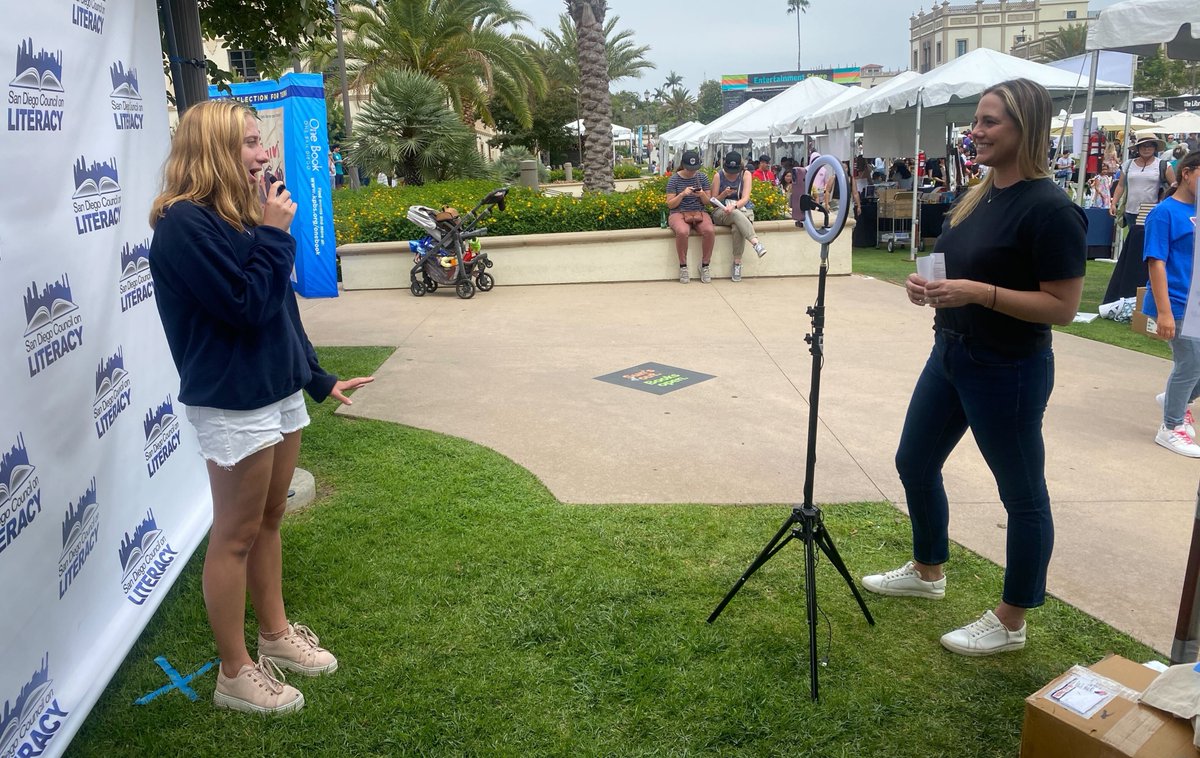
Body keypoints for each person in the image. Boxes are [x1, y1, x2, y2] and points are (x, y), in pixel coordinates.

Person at [148, 99, 374, 714]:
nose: (264, 152)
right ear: (215, 148)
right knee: (236, 534)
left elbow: (279, 310)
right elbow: (244, 306)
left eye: (261, 141)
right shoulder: (183, 224)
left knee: (270, 517)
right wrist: (275, 234)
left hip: (276, 389)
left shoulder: (245, 214)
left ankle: (274, 636)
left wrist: (316, 376)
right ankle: (234, 673)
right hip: (233, 399)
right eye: (250, 142)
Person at [861, 79, 1087, 657]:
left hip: (1008, 368)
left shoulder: (1051, 209)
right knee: (914, 461)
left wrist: (979, 293)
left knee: (1022, 495)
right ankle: (928, 570)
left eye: (990, 122)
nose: (976, 132)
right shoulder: (977, 195)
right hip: (951, 353)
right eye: (976, 121)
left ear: (1025, 129)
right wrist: (927, 287)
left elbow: (1062, 308)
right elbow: (953, 269)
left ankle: (1012, 620)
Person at [1143, 149, 1200, 457]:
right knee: (1191, 361)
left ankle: (1175, 399)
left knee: (1194, 364)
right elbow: (1156, 262)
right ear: (1186, 173)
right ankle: (1171, 426)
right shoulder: (1164, 213)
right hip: (1175, 301)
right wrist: (1164, 312)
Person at [709, 151, 767, 283]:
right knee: (735, 214)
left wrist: (734, 206)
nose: (732, 174)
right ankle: (756, 243)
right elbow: (712, 201)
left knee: (737, 226)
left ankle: (737, 263)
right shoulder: (718, 176)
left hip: (741, 208)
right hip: (721, 211)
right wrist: (723, 195)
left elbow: (745, 198)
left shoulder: (746, 174)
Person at [665, 150, 714, 283]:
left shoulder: (702, 177)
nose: (692, 171)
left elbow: (708, 202)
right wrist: (682, 194)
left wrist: (702, 194)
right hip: (678, 212)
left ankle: (705, 265)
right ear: (683, 165)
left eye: (694, 168)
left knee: (709, 230)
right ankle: (683, 266)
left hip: (699, 211)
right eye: (689, 169)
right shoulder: (674, 179)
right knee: (682, 231)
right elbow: (670, 204)